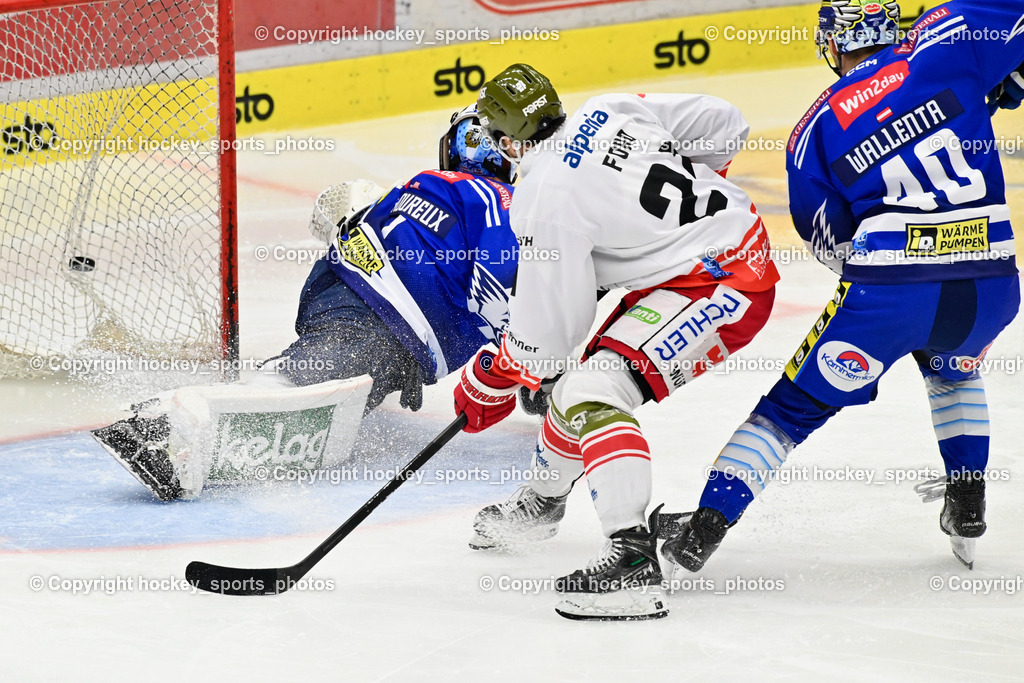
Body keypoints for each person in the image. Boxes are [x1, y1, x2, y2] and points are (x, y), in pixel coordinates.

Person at [660, 0, 1022, 576]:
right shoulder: (947, 41)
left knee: (787, 413)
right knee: (954, 370)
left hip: (890, 292)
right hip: (993, 283)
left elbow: (829, 241)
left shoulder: (814, 129)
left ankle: (702, 530)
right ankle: (968, 502)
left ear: (833, 46)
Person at [452, 64, 780, 620]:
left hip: (725, 280)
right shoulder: (609, 108)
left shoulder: (542, 197)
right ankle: (543, 503)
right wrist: (667, 228)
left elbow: (545, 344)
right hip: (717, 258)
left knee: (590, 391)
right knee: (578, 388)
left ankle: (631, 561)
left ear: (508, 141)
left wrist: (494, 375)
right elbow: (724, 123)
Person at [93, 106, 522, 501]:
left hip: (348, 298)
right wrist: (530, 361)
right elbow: (510, 284)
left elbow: (340, 210)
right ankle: (166, 424)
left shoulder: (421, 184)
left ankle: (193, 420)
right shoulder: (500, 203)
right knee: (299, 381)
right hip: (381, 317)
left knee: (335, 381)